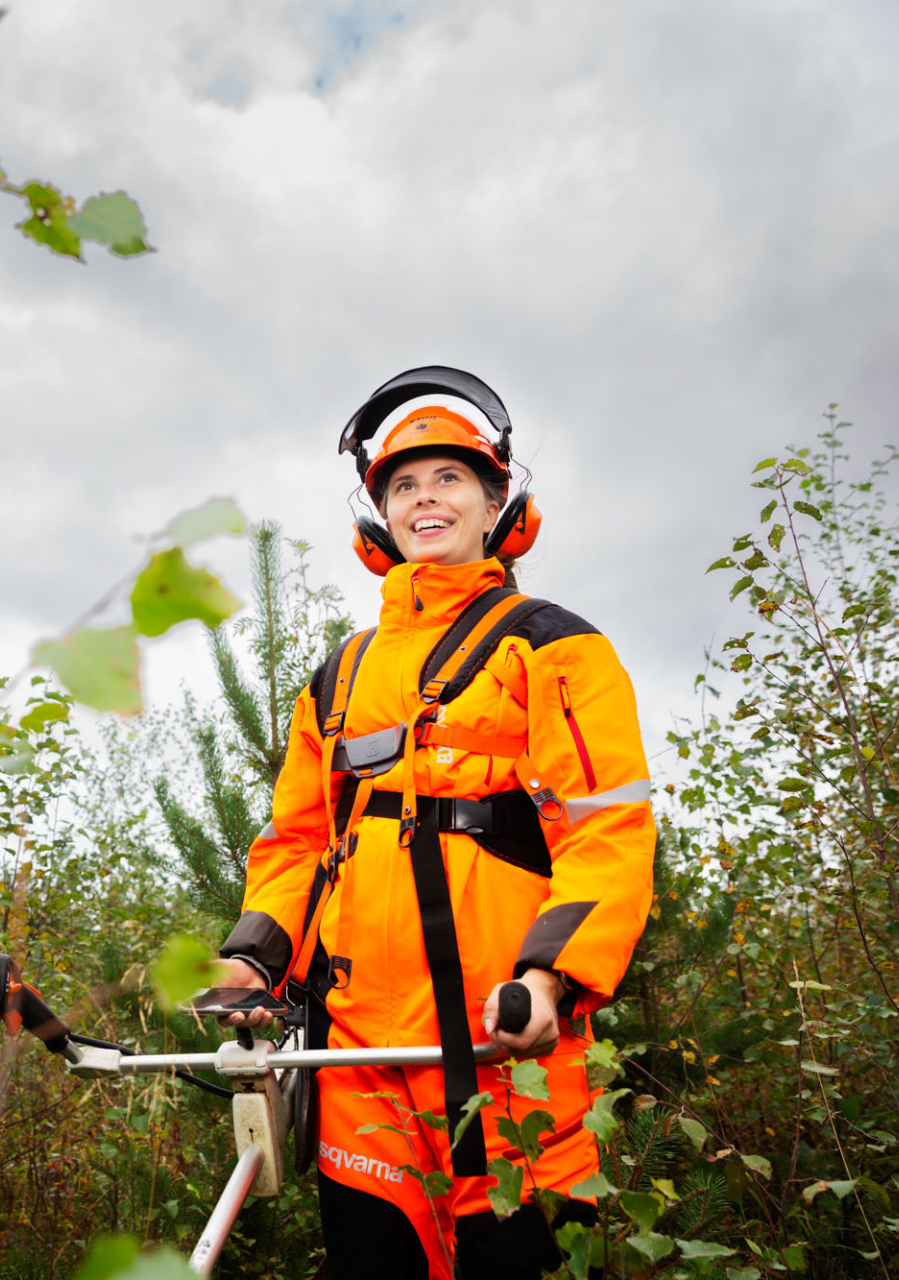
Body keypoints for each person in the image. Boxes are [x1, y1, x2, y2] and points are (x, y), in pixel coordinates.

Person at [208, 367, 655, 1279]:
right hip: (360, 1056)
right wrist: (252, 957)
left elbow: (606, 829)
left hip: (504, 1041)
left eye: (448, 479)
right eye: (403, 485)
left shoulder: (554, 645)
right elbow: (297, 842)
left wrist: (550, 976)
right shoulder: (339, 675)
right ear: (379, 521)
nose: (425, 499)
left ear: (499, 504)